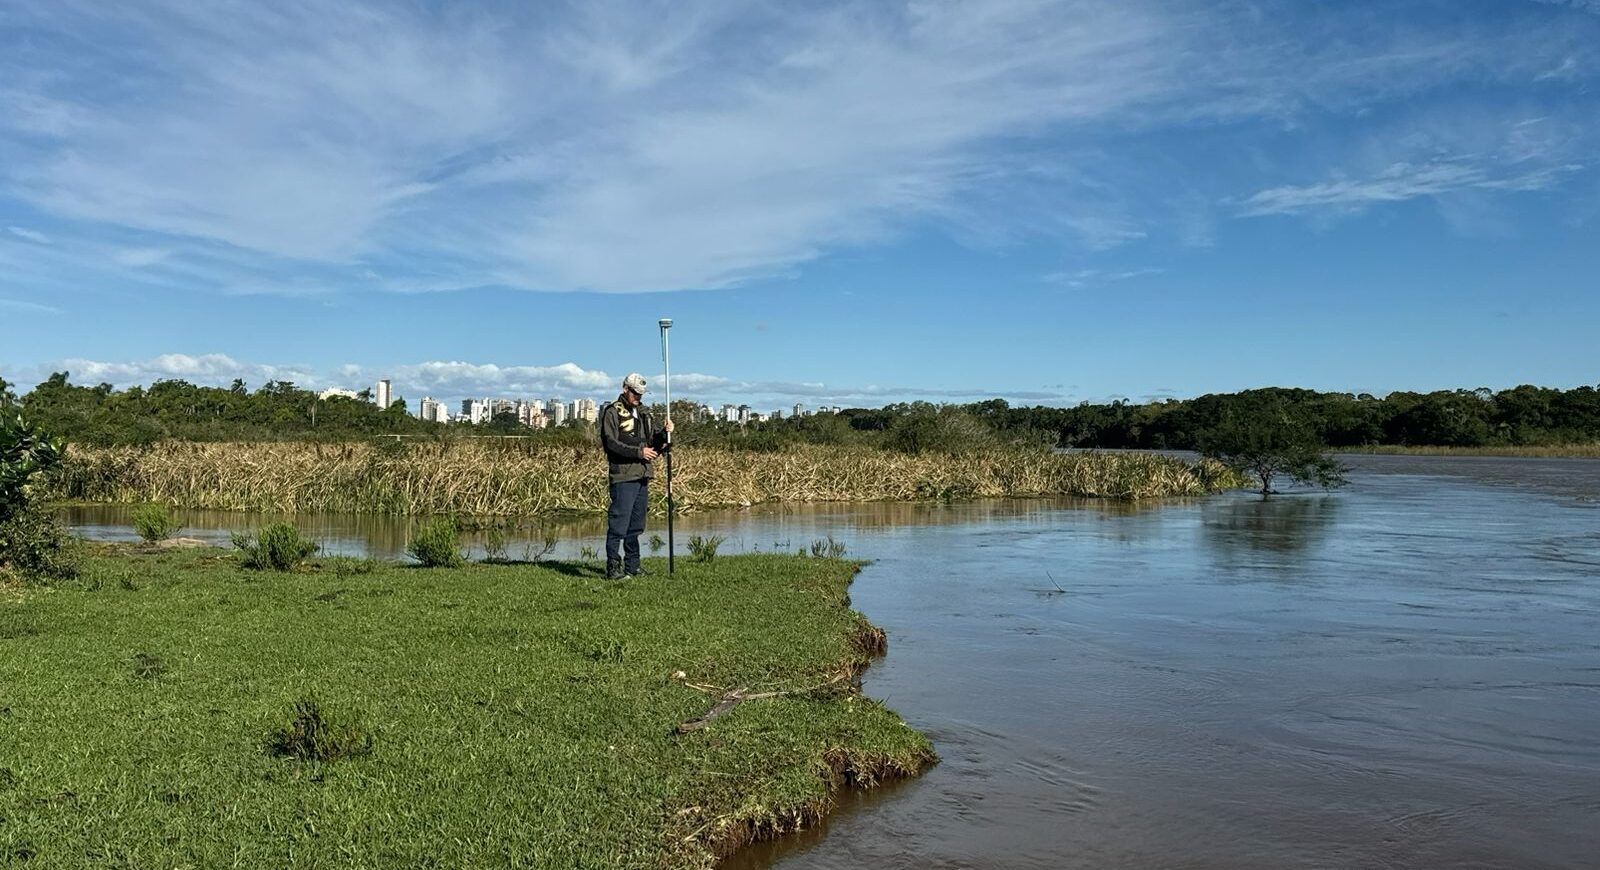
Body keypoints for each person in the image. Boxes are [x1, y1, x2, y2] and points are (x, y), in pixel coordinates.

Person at [598, 372, 672, 579]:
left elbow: (652, 443)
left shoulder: (645, 414)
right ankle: (613, 566)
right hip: (623, 476)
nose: (638, 397)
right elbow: (611, 444)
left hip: (643, 475)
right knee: (619, 523)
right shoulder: (612, 412)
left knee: (636, 525)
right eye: (635, 392)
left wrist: (664, 436)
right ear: (625, 388)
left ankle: (633, 565)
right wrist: (639, 453)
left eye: (641, 394)